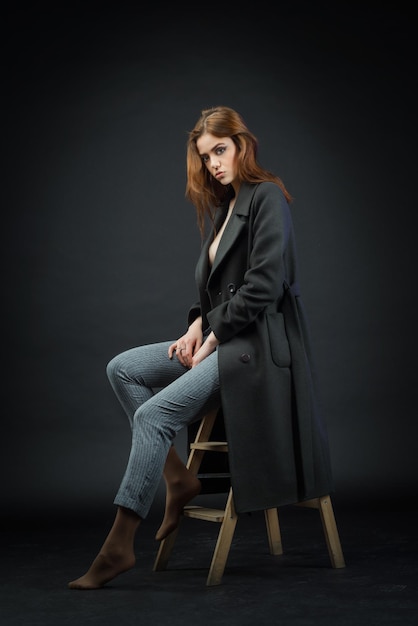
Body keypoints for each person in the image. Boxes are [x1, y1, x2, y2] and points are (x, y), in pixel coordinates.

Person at [68, 105, 334, 590]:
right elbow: (215, 292)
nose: (213, 162)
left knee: (153, 417)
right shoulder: (226, 207)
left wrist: (212, 337)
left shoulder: (267, 197)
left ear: (241, 145)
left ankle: (119, 545)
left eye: (220, 150)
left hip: (255, 351)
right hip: (225, 340)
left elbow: (263, 286)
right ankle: (177, 479)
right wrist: (196, 327)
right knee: (122, 368)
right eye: (205, 155)